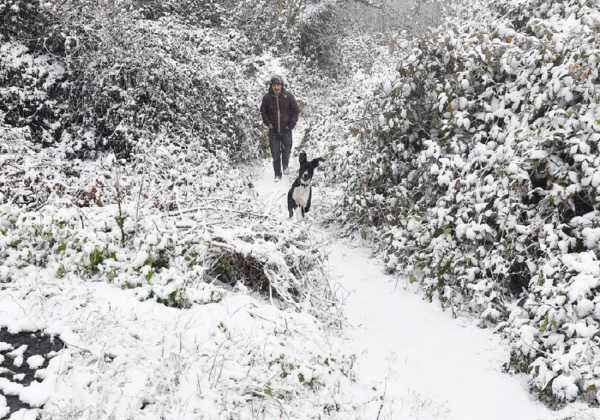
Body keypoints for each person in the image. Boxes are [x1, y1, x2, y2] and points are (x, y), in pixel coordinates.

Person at [260, 75, 300, 181]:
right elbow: (263, 112)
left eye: (278, 85)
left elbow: (296, 111)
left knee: (287, 149)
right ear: (271, 86)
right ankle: (277, 174)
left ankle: (285, 166)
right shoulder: (267, 98)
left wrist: (291, 124)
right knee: (275, 153)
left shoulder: (288, 96)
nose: (276, 87)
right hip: (273, 130)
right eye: (274, 85)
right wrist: (268, 123)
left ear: (281, 85)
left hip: (286, 129)